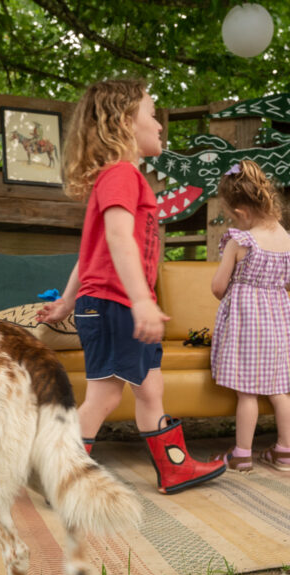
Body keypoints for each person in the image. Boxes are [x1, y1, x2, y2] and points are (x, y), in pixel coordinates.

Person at [36, 79, 225, 494]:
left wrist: (68, 301)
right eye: (152, 114)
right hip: (115, 305)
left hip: (108, 302)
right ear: (124, 122)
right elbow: (119, 240)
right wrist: (141, 300)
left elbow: (91, 255)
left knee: (150, 386)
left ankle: (174, 467)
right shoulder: (122, 174)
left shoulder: (118, 178)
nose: (159, 125)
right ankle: (61, 476)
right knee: (105, 395)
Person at [209, 160, 290, 473]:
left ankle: (242, 453)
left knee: (247, 391)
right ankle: (285, 451)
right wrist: (271, 283)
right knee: (280, 390)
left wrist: (242, 285)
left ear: (241, 212)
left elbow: (218, 287)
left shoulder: (240, 241)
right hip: (278, 323)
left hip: (246, 324)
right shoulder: (289, 240)